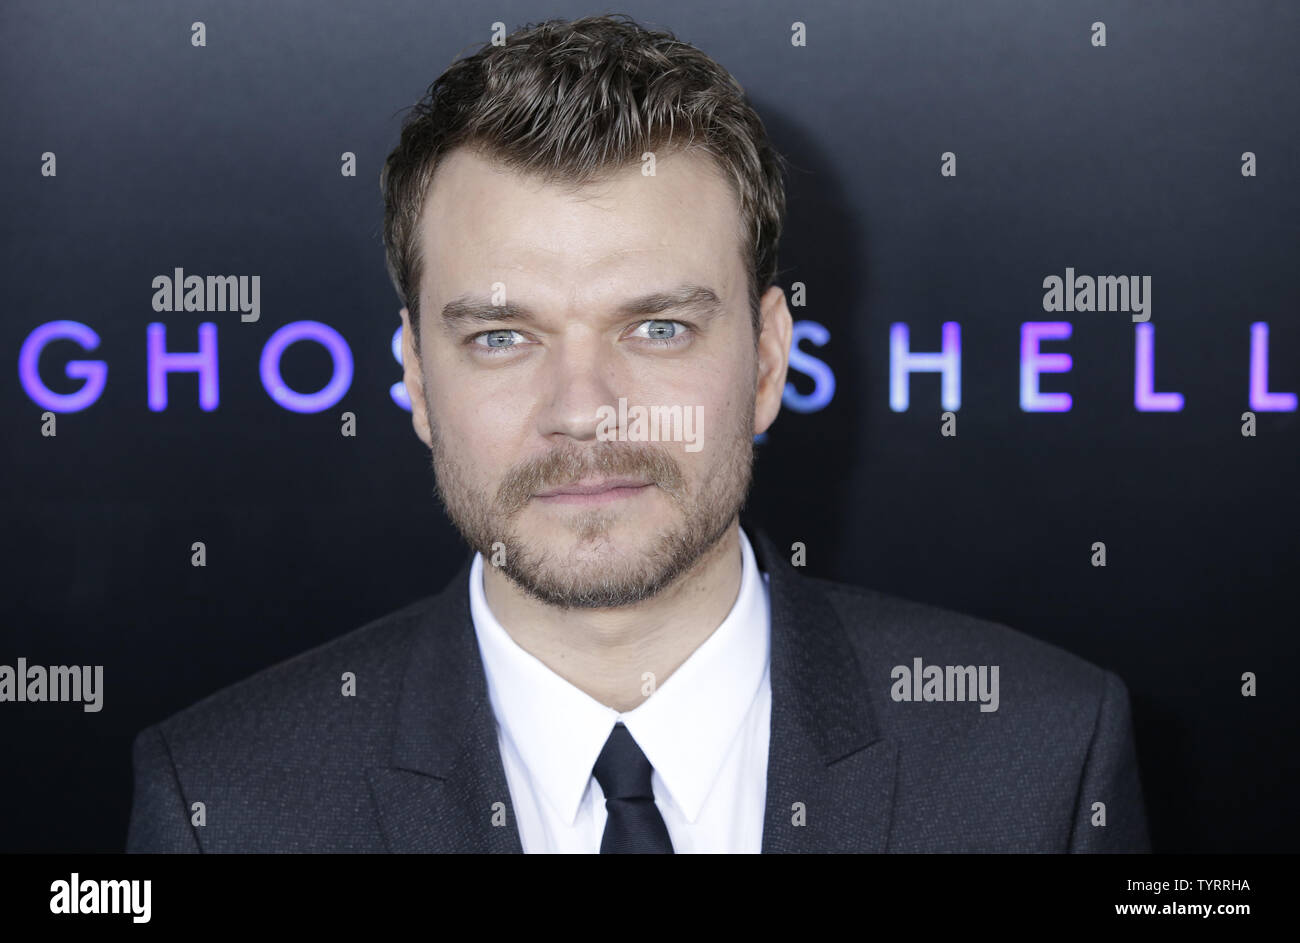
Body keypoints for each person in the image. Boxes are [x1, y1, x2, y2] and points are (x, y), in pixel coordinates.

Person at [127, 13, 1149, 854]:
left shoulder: (1041, 758)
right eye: (499, 336)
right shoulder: (223, 805)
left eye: (657, 327)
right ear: (414, 378)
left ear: (764, 357)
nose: (585, 408)